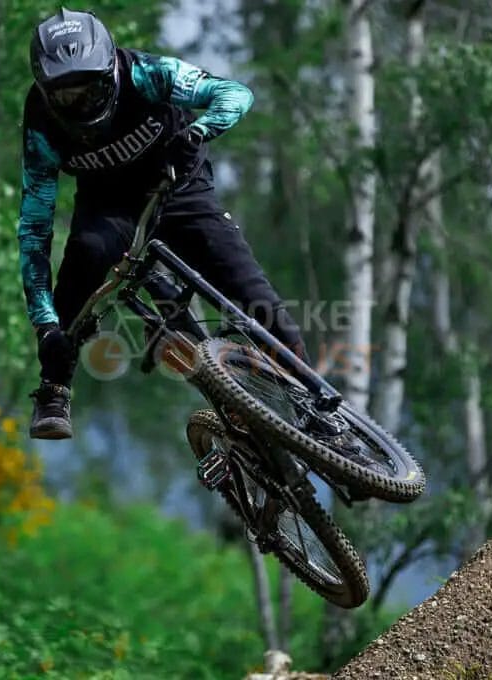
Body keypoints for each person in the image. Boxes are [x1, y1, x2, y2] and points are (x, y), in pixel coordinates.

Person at [20, 8, 306, 439]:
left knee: (254, 297)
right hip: (109, 205)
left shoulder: (146, 73)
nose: (80, 103)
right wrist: (45, 326)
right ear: (45, 91)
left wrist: (198, 132)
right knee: (85, 256)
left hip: (179, 185)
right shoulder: (41, 125)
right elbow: (35, 229)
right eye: (65, 96)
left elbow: (232, 93)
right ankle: (55, 388)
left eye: (90, 89)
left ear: (110, 68)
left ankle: (324, 415)